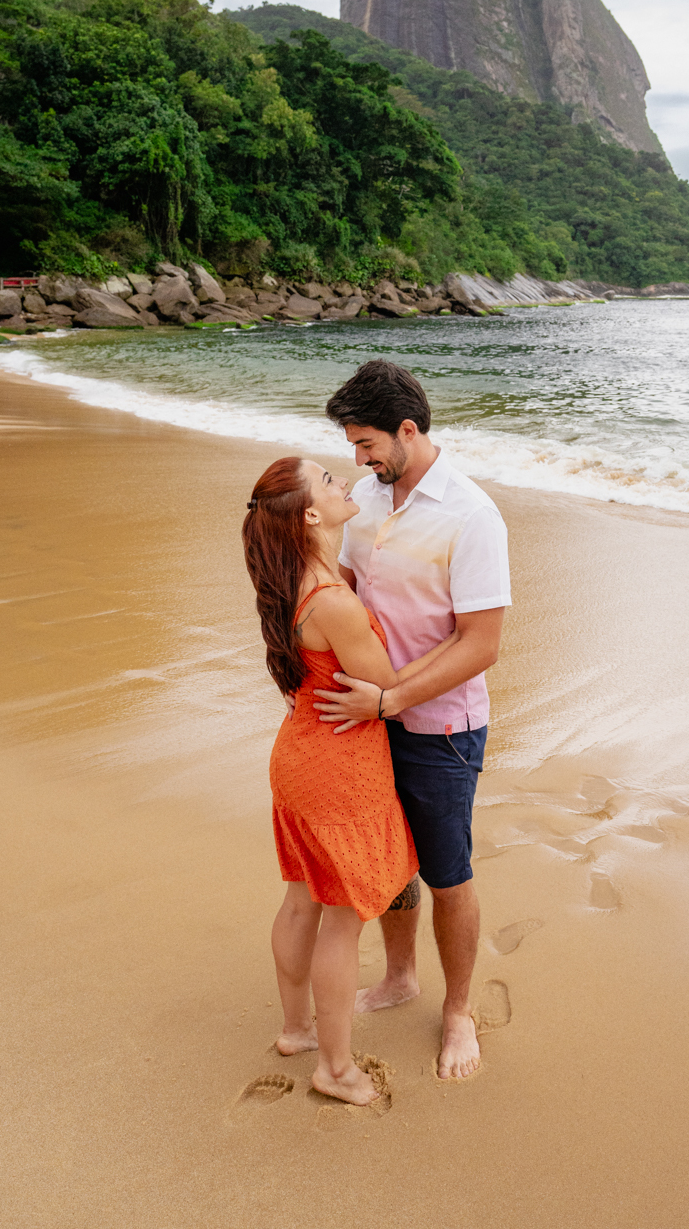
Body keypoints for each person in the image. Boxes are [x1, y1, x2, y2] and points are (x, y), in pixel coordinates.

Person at [314, 360, 511, 1080]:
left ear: (407, 429)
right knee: (389, 863)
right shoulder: (364, 499)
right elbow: (352, 593)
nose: (358, 461)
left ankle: (457, 1011)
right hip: (372, 717)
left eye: (366, 444)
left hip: (442, 729)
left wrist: (393, 699)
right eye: (352, 448)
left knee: (447, 871)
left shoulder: (471, 514)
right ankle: (400, 976)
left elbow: (481, 643)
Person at [242, 454, 459, 1106]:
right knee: (340, 917)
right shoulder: (331, 598)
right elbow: (387, 683)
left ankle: (296, 1029)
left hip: (300, 756)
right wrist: (450, 641)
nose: (344, 483)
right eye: (330, 482)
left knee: (302, 898)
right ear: (310, 513)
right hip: (338, 765)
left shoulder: (289, 580)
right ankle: (334, 1069)